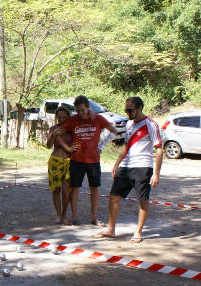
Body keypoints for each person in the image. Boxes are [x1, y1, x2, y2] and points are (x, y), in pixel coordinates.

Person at [94, 96, 163, 243]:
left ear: (139, 109)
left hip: (143, 166)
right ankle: (111, 229)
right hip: (126, 165)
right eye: (126, 111)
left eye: (130, 111)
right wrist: (117, 164)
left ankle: (138, 232)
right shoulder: (129, 124)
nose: (128, 114)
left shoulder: (151, 124)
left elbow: (159, 150)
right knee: (113, 196)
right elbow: (126, 145)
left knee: (142, 199)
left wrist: (156, 173)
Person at [61, 95, 119, 226]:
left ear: (88, 107)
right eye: (78, 110)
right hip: (76, 159)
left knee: (94, 188)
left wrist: (101, 146)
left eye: (82, 110)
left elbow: (114, 131)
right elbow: (59, 131)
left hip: (93, 160)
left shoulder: (97, 118)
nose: (80, 113)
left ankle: (93, 217)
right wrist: (68, 147)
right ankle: (74, 217)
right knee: (74, 188)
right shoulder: (73, 119)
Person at [46, 106, 79, 224]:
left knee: (66, 191)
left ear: (68, 117)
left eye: (64, 117)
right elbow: (48, 145)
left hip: (69, 161)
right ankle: (58, 215)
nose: (62, 119)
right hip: (55, 160)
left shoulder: (72, 129)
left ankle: (64, 215)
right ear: (56, 117)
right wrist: (53, 134)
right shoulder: (53, 128)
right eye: (59, 117)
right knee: (56, 190)